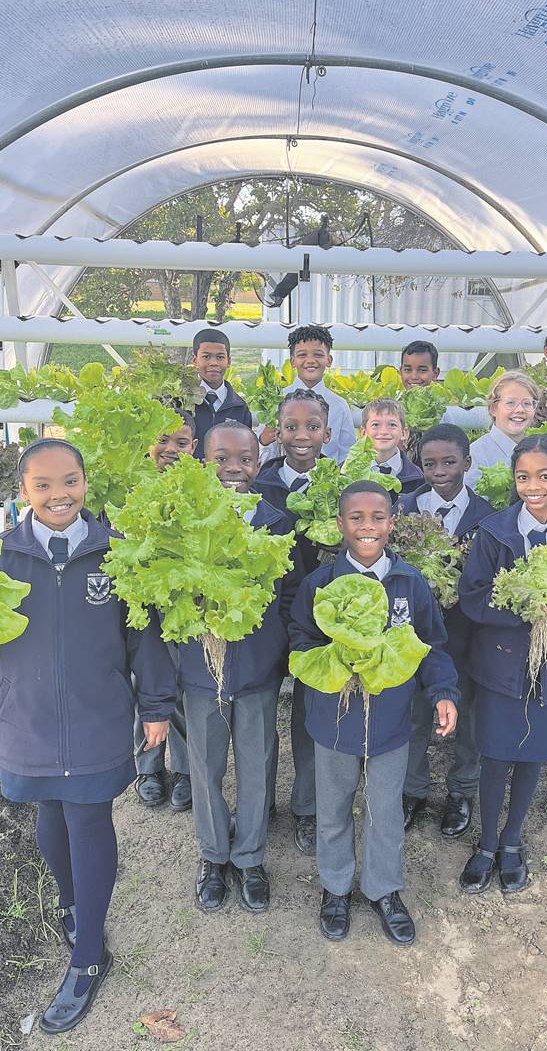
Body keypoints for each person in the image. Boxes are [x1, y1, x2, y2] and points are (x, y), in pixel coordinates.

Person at [0, 439, 176, 1034]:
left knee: (89, 820)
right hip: (29, 716)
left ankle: (89, 953)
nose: (58, 495)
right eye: (42, 485)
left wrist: (156, 706)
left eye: (69, 481)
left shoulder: (116, 554)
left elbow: (145, 637)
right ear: (23, 491)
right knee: (49, 811)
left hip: (97, 718)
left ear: (85, 483)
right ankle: (73, 904)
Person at [288, 480, 459, 946]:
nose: (368, 527)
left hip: (391, 722)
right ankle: (335, 888)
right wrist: (335, 661)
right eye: (357, 518)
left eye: (378, 518)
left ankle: (384, 890)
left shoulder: (409, 582)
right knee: (333, 808)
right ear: (340, 524)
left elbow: (431, 644)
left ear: (392, 523)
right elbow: (300, 640)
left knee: (385, 810)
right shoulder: (320, 584)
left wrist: (443, 692)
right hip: (334, 720)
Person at [458, 434, 547, 896]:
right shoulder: (493, 532)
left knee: (532, 752)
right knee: (495, 753)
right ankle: (486, 844)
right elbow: (473, 598)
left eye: (544, 476)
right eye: (523, 477)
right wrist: (524, 605)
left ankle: (512, 840)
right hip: (500, 666)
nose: (533, 487)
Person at [179, 421, 299, 914]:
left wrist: (276, 649)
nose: (234, 468)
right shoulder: (181, 518)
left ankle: (250, 856)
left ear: (259, 461)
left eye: (245, 459)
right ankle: (213, 854)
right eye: (221, 459)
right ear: (201, 462)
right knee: (204, 765)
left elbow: (290, 593)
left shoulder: (277, 522)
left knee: (257, 763)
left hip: (255, 670)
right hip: (200, 669)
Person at [395, 423, 492, 838]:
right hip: (416, 634)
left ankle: (462, 789)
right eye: (429, 463)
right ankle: (412, 788)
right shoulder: (403, 508)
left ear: (467, 463)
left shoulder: (488, 516)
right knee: (413, 711)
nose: (439, 471)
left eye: (449, 462)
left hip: (468, 633)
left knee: (468, 713)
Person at [252, 388, 332, 855]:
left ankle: (307, 806)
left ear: (327, 433)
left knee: (310, 715)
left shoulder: (341, 484)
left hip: (318, 620)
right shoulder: (259, 485)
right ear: (277, 432)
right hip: (266, 618)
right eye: (291, 427)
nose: (302, 436)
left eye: (312, 427)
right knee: (261, 719)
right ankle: (260, 802)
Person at [134, 409, 195, 811]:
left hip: (181, 603)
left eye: (181, 442)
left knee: (183, 685)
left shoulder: (200, 488)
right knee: (145, 683)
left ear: (194, 447)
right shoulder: (131, 484)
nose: (171, 449)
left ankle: (186, 769)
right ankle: (148, 767)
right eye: (163, 440)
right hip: (140, 602)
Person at [258, 325, 356, 464]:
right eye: (302, 355)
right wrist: (264, 440)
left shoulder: (339, 405)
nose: (310, 360)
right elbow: (263, 452)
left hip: (327, 476)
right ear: (292, 361)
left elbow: (347, 453)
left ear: (329, 360)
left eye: (318, 355)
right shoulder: (276, 401)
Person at [465, 370, 540, 490]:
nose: (520, 410)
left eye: (527, 403)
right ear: (493, 408)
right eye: (510, 403)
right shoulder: (476, 455)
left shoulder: (541, 450)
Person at [190, 328, 253, 457]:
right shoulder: (181, 401)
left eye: (220, 357)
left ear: (228, 361)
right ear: (195, 360)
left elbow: (245, 450)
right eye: (206, 357)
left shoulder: (240, 408)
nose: (213, 363)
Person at [361, 397, 424, 496]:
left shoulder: (418, 478)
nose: (383, 431)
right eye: (376, 425)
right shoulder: (345, 473)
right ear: (363, 432)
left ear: (404, 433)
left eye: (392, 425)